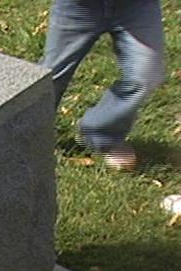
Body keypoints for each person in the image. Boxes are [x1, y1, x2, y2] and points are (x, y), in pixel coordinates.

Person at [40, 0, 165, 171]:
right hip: (78, 7)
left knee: (145, 76)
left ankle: (102, 135)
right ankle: (24, 133)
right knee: (51, 76)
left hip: (137, 8)